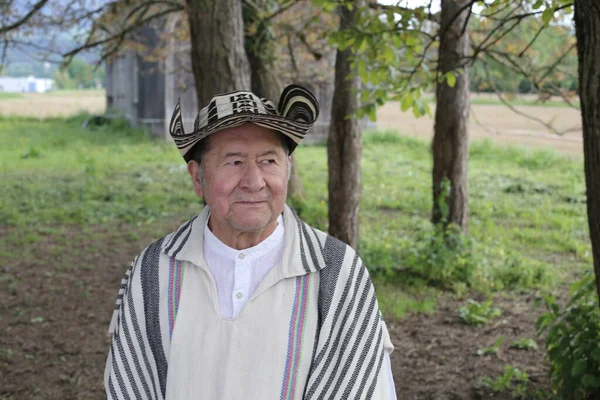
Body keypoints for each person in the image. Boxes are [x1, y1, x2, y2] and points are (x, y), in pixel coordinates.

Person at [104, 84, 396, 399]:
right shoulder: (152, 271)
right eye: (234, 162)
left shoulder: (339, 273)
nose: (254, 182)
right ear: (197, 178)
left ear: (287, 172)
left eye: (269, 161)